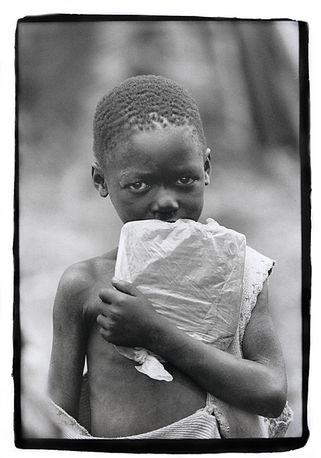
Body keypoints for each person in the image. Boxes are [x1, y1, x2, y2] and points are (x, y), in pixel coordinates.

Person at [48, 75, 292, 439]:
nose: (166, 202)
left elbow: (271, 394)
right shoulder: (84, 286)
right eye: (139, 185)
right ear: (101, 180)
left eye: (184, 180)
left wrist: (156, 334)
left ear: (206, 169)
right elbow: (58, 421)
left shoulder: (240, 271)